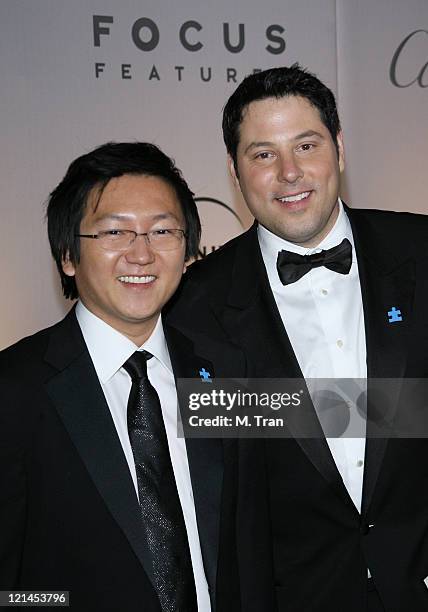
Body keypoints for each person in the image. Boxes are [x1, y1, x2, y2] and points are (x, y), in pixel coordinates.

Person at [166, 65, 428, 611]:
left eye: (306, 145)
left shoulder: (421, 251)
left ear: (339, 150)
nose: (290, 172)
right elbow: (216, 475)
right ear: (235, 174)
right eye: (263, 154)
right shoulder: (192, 305)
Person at [0, 142, 245, 611]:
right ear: (68, 256)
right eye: (115, 232)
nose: (142, 254)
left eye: (162, 231)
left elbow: (341, 429)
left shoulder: (224, 373)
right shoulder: (14, 390)